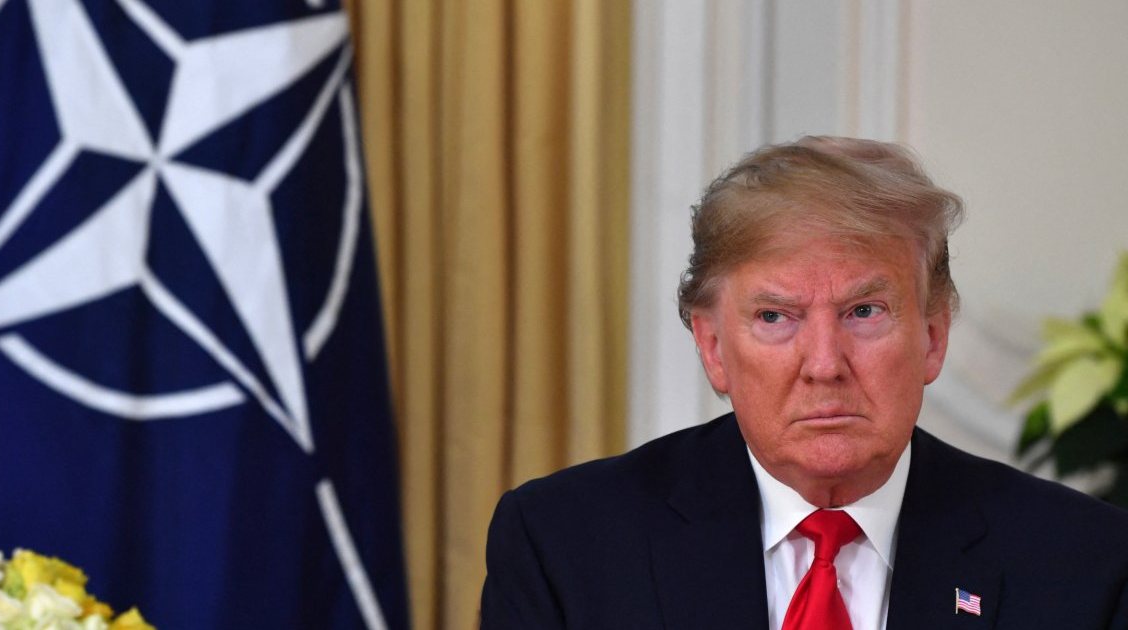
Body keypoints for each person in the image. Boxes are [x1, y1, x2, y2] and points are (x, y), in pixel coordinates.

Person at [479, 136, 1128, 629]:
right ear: (713, 347)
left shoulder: (1085, 563)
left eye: (864, 311)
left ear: (933, 336)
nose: (824, 364)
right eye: (775, 317)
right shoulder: (564, 545)